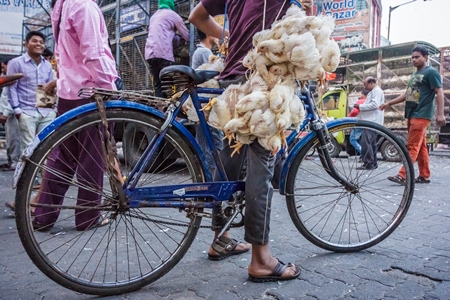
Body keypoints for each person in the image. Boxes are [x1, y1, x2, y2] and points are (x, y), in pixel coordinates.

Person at [189, 0, 313, 282]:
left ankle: (221, 239)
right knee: (261, 169)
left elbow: (197, 15)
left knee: (228, 163)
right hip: (260, 80)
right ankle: (261, 259)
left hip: (231, 79)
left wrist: (230, 37)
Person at [32, 0, 118, 231]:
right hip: (91, 91)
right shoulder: (83, 5)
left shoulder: (62, 6)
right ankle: (88, 217)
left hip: (68, 92)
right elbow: (94, 54)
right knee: (93, 158)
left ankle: (43, 216)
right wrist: (109, 90)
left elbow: (64, 54)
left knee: (63, 157)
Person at [380, 45, 446, 184]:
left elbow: (439, 92)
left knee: (412, 147)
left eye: (417, 57)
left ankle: (404, 175)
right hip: (412, 113)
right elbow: (407, 94)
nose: (414, 60)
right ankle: (424, 175)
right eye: (412, 58)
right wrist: (389, 103)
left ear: (426, 57)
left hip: (421, 114)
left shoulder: (431, 73)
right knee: (420, 147)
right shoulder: (415, 74)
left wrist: (440, 114)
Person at [7, 31, 56, 156]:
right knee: (28, 149)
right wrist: (17, 110)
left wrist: (52, 110)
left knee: (46, 147)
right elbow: (11, 87)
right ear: (26, 44)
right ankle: (28, 175)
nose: (38, 44)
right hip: (26, 111)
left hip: (46, 111)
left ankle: (43, 176)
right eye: (34, 41)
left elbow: (51, 87)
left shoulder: (47, 65)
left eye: (41, 42)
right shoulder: (16, 62)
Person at [191, 29, 224, 174]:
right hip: (207, 105)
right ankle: (217, 176)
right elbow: (218, 74)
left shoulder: (201, 52)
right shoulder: (204, 53)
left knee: (204, 143)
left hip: (201, 104)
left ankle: (207, 176)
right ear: (208, 33)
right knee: (215, 142)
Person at [145, 0, 189, 98]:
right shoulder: (173, 15)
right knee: (169, 85)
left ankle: (159, 110)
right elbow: (186, 35)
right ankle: (170, 109)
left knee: (158, 86)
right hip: (164, 54)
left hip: (149, 55)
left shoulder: (153, 16)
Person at [355, 77, 384, 170]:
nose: (365, 87)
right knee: (372, 144)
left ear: (371, 83)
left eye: (366, 85)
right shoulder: (374, 92)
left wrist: (360, 106)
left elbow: (374, 105)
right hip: (371, 120)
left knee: (366, 143)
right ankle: (373, 163)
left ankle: (368, 163)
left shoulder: (376, 91)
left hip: (372, 121)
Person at [0, 59, 20, 172]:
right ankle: (10, 161)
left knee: (14, 138)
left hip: (11, 113)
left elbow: (12, 97)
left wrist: (6, 113)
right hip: (6, 113)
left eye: (4, 67)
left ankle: (15, 163)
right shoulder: (6, 77)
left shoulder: (14, 78)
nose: (3, 70)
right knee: (10, 139)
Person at [348, 89, 368, 158]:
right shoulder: (368, 101)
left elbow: (354, 112)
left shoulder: (361, 101)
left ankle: (363, 153)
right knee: (361, 140)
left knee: (352, 139)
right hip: (367, 122)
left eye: (361, 94)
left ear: (363, 94)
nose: (360, 95)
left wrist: (349, 117)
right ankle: (362, 155)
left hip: (359, 121)